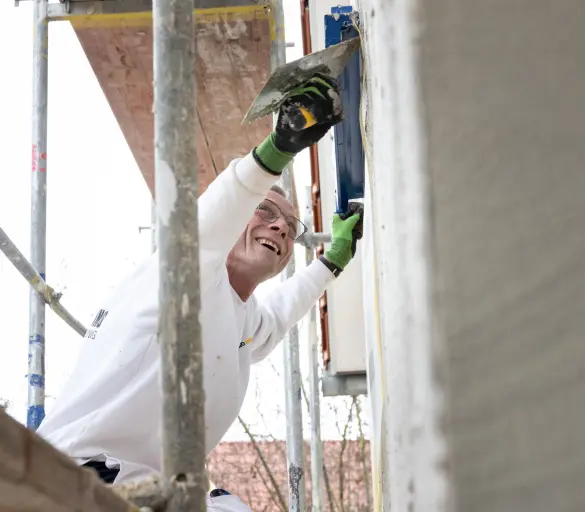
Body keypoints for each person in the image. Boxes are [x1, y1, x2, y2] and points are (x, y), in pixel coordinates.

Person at [36, 75, 360, 510]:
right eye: (264, 210)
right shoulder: (178, 279)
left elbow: (280, 314)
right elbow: (208, 223)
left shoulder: (241, 318)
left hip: (137, 492)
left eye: (290, 225)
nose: (281, 227)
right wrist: (276, 150)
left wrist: (332, 259)